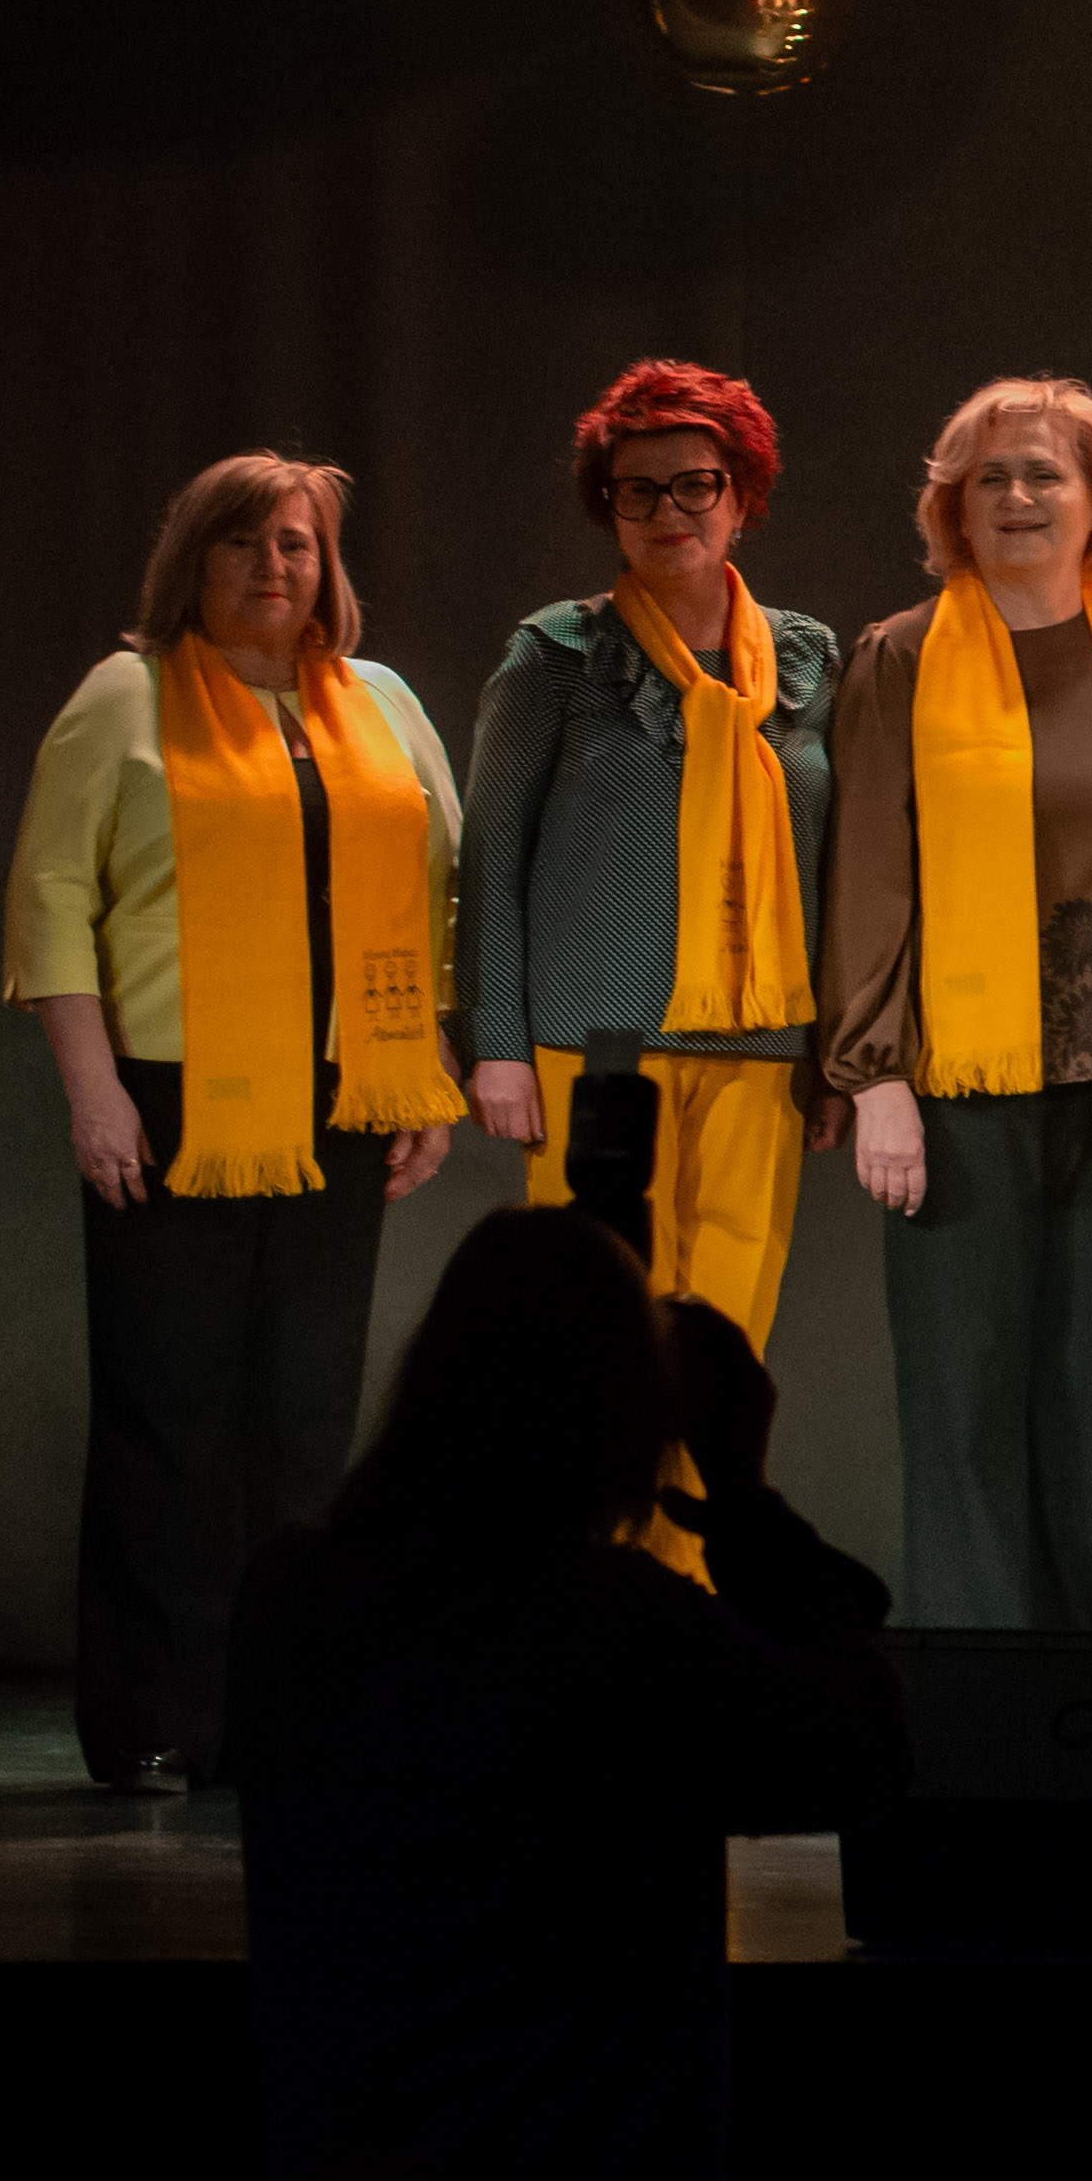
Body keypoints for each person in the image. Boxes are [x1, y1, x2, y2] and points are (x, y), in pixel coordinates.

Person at [229, 1209, 904, 2181]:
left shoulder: (288, 1602)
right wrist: (742, 1495)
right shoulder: (626, 1630)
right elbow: (864, 1746)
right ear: (624, 1416)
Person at [4, 452, 469, 1793]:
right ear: (191, 560)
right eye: (242, 543)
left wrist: (422, 1065)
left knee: (306, 1417)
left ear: (329, 566)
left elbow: (436, 882)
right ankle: (156, 1714)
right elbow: (51, 893)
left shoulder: (379, 702)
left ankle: (284, 1710)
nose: (273, 566)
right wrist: (92, 1087)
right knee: (170, 1411)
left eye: (297, 543)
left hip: (339, 1095)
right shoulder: (127, 694)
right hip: (172, 1091)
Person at [817, 378, 1092, 1636]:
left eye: (1047, 473)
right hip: (956, 1083)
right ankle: (976, 1685)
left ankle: (1072, 1686)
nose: (1020, 496)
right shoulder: (899, 655)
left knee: (1082, 1398)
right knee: (968, 1401)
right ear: (955, 507)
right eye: (992, 477)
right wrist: (875, 1074)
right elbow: (868, 871)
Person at [453, 360, 839, 1576]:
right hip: (598, 1050)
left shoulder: (809, 662)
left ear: (744, 495)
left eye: (696, 483)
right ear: (608, 507)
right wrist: (497, 1046)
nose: (670, 510)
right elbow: (492, 859)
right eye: (639, 490)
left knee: (725, 1346)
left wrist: (838, 1056)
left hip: (763, 1051)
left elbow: (837, 869)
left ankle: (697, 1600)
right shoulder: (559, 655)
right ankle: (599, 1595)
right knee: (599, 1344)